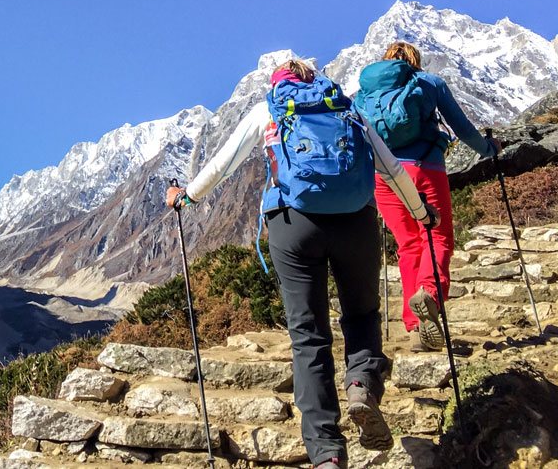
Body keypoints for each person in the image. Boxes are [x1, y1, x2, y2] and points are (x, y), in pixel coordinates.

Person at [167, 58, 438, 469]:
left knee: (308, 335)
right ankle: (362, 384)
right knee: (362, 314)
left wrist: (186, 196)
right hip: (356, 222)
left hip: (293, 225)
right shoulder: (346, 106)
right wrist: (422, 213)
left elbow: (222, 164)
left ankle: (326, 453)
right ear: (316, 78)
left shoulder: (271, 109)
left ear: (279, 80)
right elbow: (390, 166)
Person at [354, 41, 500, 352]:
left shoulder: (364, 94)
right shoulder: (429, 83)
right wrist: (490, 149)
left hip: (384, 177)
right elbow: (462, 128)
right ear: (415, 62)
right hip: (424, 169)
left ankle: (413, 326)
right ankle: (430, 297)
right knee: (437, 237)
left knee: (408, 246)